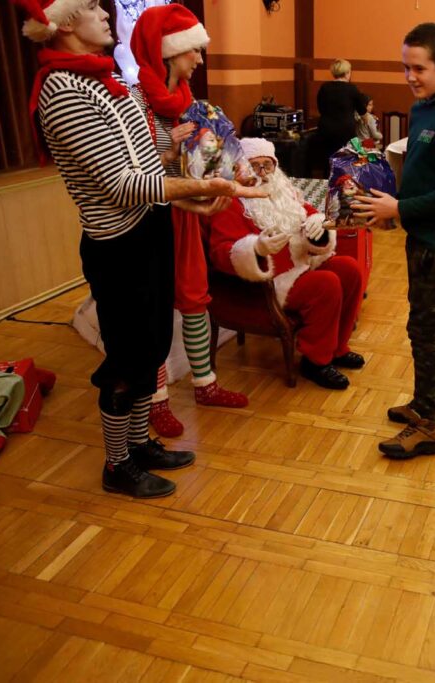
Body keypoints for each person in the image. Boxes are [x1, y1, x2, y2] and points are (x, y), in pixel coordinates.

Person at [15, 0, 261, 498]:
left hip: (149, 229)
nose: (105, 12)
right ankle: (117, 464)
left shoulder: (111, 81)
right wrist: (210, 187)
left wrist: (192, 200)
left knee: (151, 347)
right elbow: (123, 185)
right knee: (127, 362)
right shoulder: (62, 90)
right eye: (91, 6)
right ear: (64, 22)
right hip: (118, 248)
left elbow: (150, 164)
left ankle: (138, 444)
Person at [351, 22, 435, 459]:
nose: (410, 76)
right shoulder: (423, 106)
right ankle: (431, 403)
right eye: (405, 67)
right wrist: (394, 202)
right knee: (421, 325)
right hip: (421, 233)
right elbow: (422, 174)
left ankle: (428, 426)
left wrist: (400, 208)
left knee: (423, 327)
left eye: (419, 68)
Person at [129, 4, 250, 440]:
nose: (199, 59)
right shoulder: (133, 102)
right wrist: (166, 151)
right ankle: (156, 400)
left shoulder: (191, 104)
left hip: (185, 215)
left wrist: (230, 167)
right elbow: (127, 171)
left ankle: (205, 384)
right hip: (148, 217)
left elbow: (214, 156)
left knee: (194, 295)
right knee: (155, 306)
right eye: (193, 50)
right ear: (167, 52)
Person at [207, 138, 365, 390]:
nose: (262, 172)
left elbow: (308, 213)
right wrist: (256, 248)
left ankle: (337, 348)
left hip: (302, 265)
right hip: (268, 283)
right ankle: (315, 361)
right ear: (240, 168)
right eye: (254, 165)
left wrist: (319, 224)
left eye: (267, 165)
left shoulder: (284, 191)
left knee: (349, 269)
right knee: (326, 284)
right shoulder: (231, 202)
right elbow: (220, 253)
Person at [315, 59, 368, 173]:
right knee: (347, 159)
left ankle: (328, 180)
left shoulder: (324, 87)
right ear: (347, 72)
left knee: (328, 161)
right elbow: (362, 112)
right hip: (345, 130)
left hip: (326, 128)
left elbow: (320, 108)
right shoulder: (352, 89)